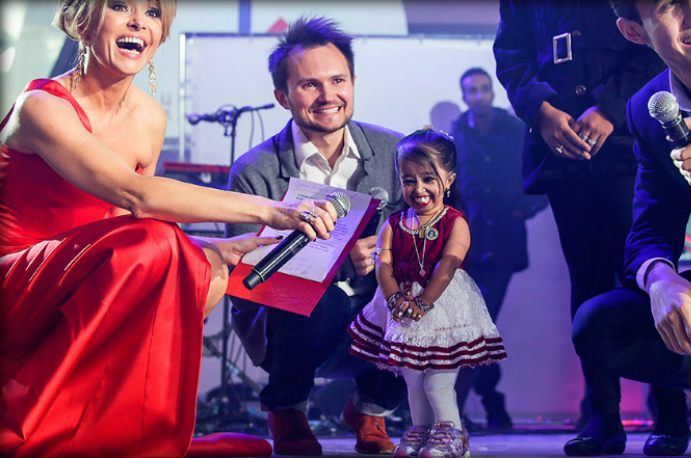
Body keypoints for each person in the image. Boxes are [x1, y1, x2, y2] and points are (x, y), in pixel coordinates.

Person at [0, 1, 339, 457]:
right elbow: (135, 195)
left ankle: (125, 431)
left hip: (85, 272)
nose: (138, 22)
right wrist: (272, 210)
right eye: (120, 5)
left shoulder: (149, 117)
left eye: (153, 13)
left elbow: (123, 229)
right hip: (18, 288)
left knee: (199, 265)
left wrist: (210, 246)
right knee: (166, 243)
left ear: (160, 35)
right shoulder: (41, 106)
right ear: (83, 22)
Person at [492, 2, 691, 455]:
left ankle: (671, 412)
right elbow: (511, 53)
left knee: (650, 275)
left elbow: (655, 39)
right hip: (563, 153)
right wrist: (542, 111)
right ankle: (603, 416)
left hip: (629, 144)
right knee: (586, 281)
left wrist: (610, 107)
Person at [226, 16, 407, 456]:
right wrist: (338, 260)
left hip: (375, 303)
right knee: (319, 301)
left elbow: (437, 223)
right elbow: (247, 275)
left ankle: (370, 409)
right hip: (293, 320)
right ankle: (286, 409)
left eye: (338, 80)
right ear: (282, 96)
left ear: (353, 83)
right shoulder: (254, 170)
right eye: (310, 85)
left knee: (436, 296)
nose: (329, 96)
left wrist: (392, 248)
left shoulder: (397, 152)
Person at [573, 0, 691, 456]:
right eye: (669, 5)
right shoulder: (647, 109)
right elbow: (650, 227)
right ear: (634, 32)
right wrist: (661, 277)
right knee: (601, 323)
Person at [349, 128, 507, 458]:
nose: (418, 189)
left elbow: (448, 265)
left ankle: (452, 432)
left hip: (441, 309)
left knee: (437, 381)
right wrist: (394, 299)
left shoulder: (455, 222)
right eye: (409, 181)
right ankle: (421, 429)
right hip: (402, 306)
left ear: (448, 180)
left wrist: (424, 302)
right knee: (412, 378)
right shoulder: (394, 224)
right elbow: (383, 264)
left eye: (428, 179)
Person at [450, 67, 548, 431]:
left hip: (503, 243)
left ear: (492, 91)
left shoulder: (515, 130)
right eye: (471, 90)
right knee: (476, 327)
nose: (479, 96)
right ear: (465, 96)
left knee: (479, 325)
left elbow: (542, 172)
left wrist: (525, 208)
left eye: (483, 88)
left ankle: (469, 409)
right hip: (467, 246)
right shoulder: (454, 136)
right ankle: (491, 408)